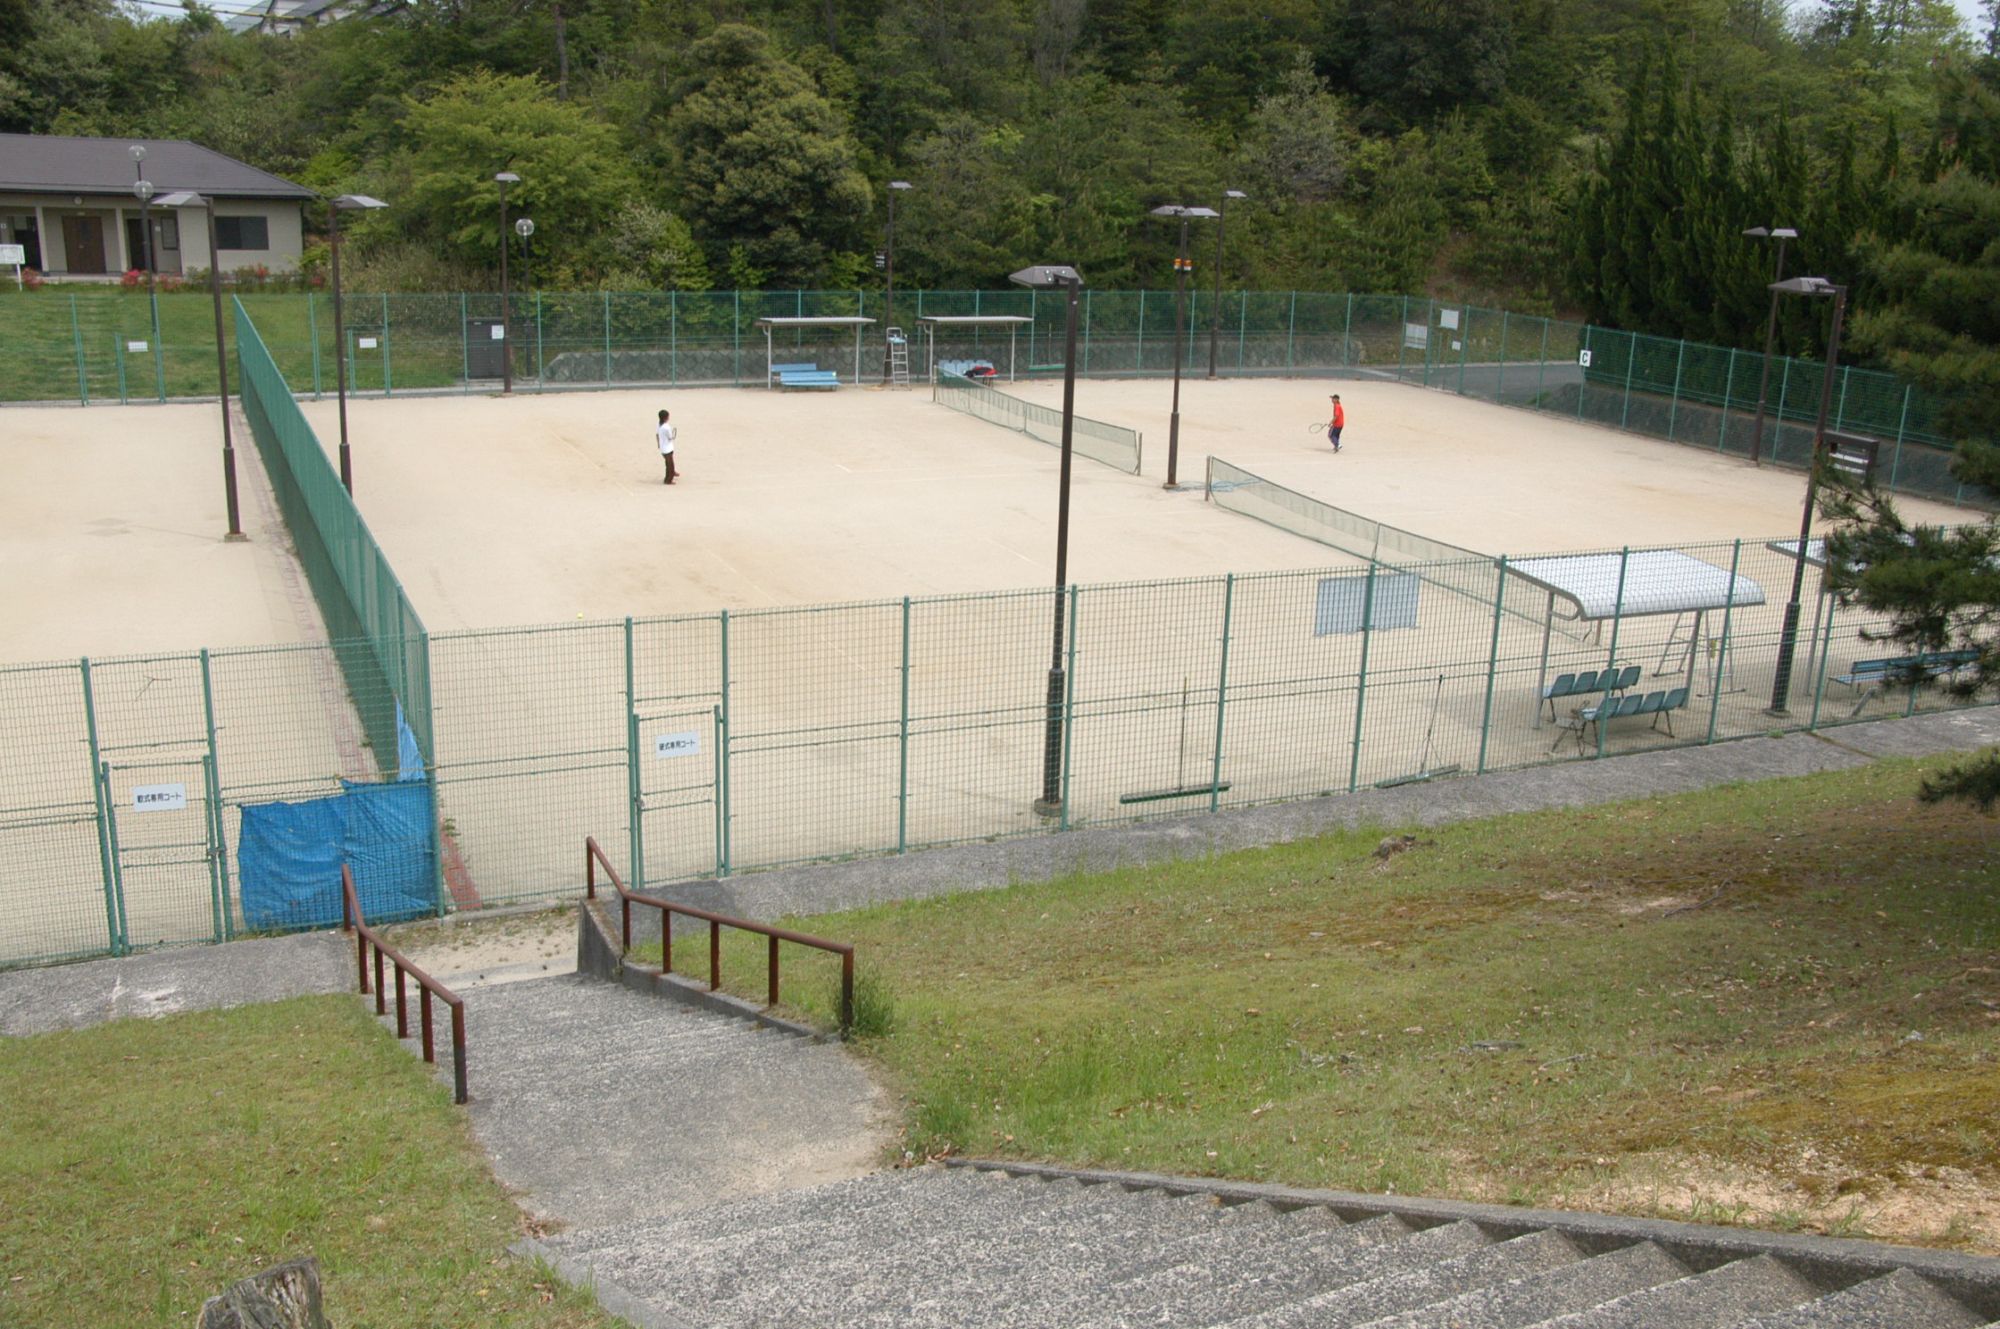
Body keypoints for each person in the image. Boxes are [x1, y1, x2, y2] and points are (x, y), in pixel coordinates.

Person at [657, 408, 677, 484]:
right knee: (670, 466)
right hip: (667, 448)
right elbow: (670, 437)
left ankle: (668, 478)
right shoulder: (666, 427)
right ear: (666, 417)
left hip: (663, 448)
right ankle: (668, 480)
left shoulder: (659, 425)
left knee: (668, 464)